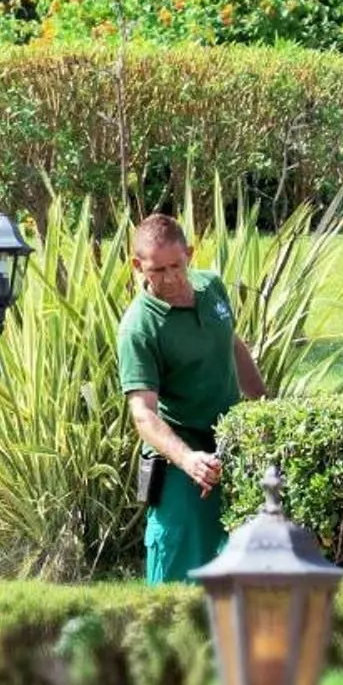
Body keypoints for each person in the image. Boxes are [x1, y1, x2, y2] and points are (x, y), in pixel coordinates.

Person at [117, 213, 266, 584]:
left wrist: (266, 405)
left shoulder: (212, 286)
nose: (169, 278)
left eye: (176, 266)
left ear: (190, 253)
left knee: (237, 571)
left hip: (233, 447)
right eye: (156, 270)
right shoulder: (139, 326)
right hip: (179, 464)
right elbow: (142, 413)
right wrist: (188, 459)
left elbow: (231, 344)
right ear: (138, 266)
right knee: (176, 580)